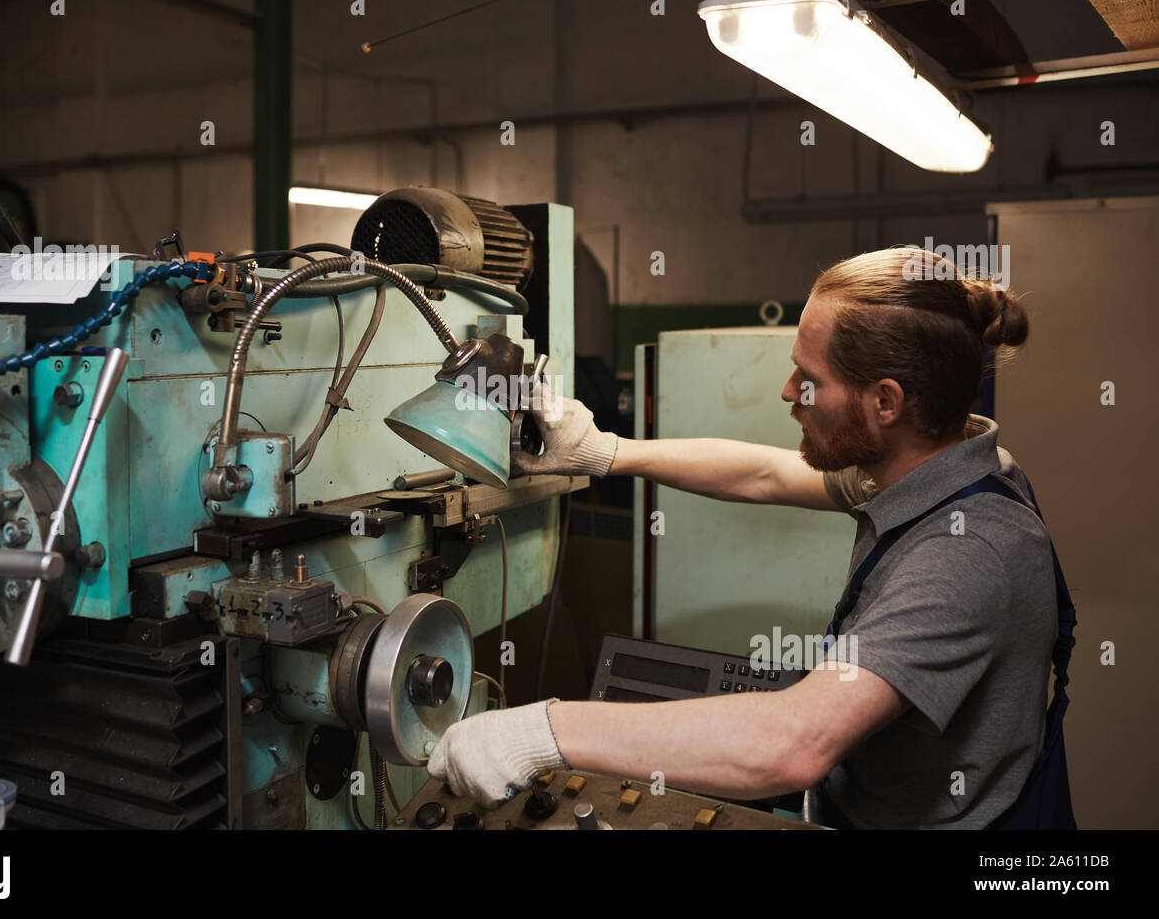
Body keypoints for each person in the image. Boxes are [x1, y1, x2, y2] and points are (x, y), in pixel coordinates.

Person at [427, 247, 1059, 829]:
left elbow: (794, 743)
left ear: (885, 402)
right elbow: (762, 474)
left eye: (807, 379)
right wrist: (605, 452)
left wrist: (541, 731)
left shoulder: (968, 551)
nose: (788, 392)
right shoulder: (938, 466)